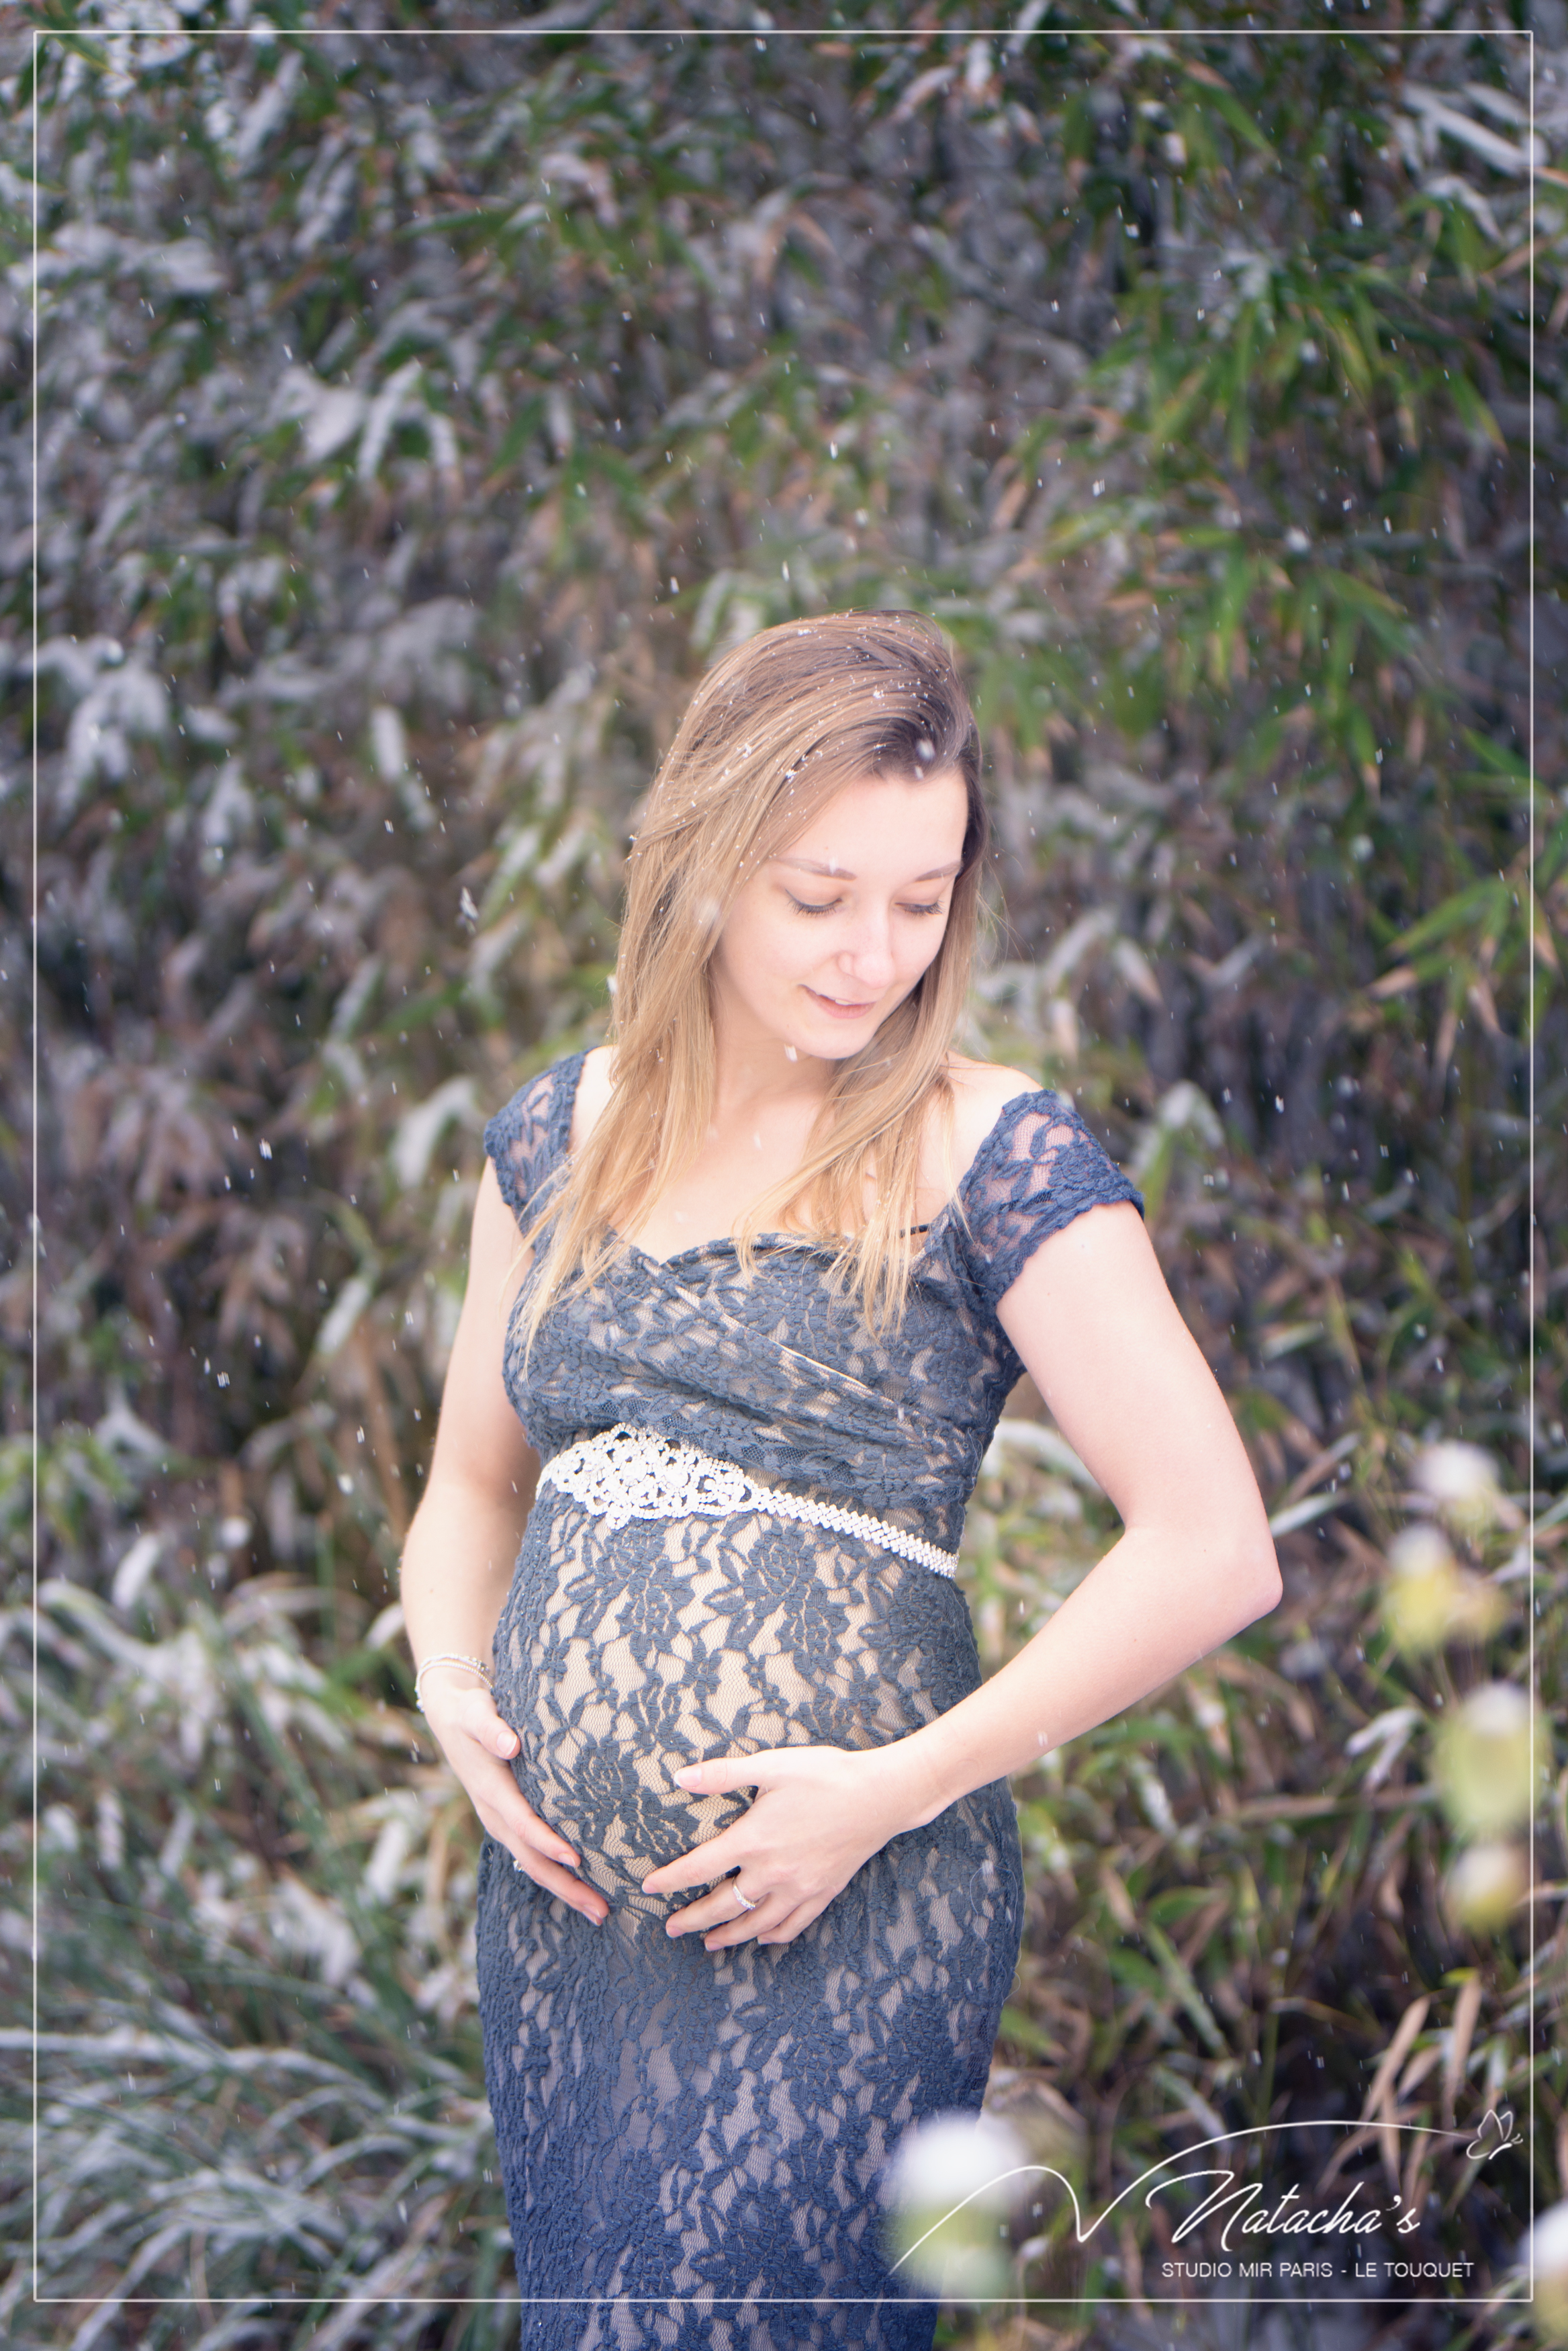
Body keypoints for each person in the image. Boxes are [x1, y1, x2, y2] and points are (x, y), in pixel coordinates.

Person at [400, 611, 1281, 2349]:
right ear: (707, 859)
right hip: (568, 1924)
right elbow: (469, 1489)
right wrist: (450, 1684)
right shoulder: (556, 1136)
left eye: (923, 895)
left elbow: (1214, 1545)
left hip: (851, 1905)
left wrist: (894, 1786)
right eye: (821, 895)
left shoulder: (991, 1151)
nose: (874, 950)